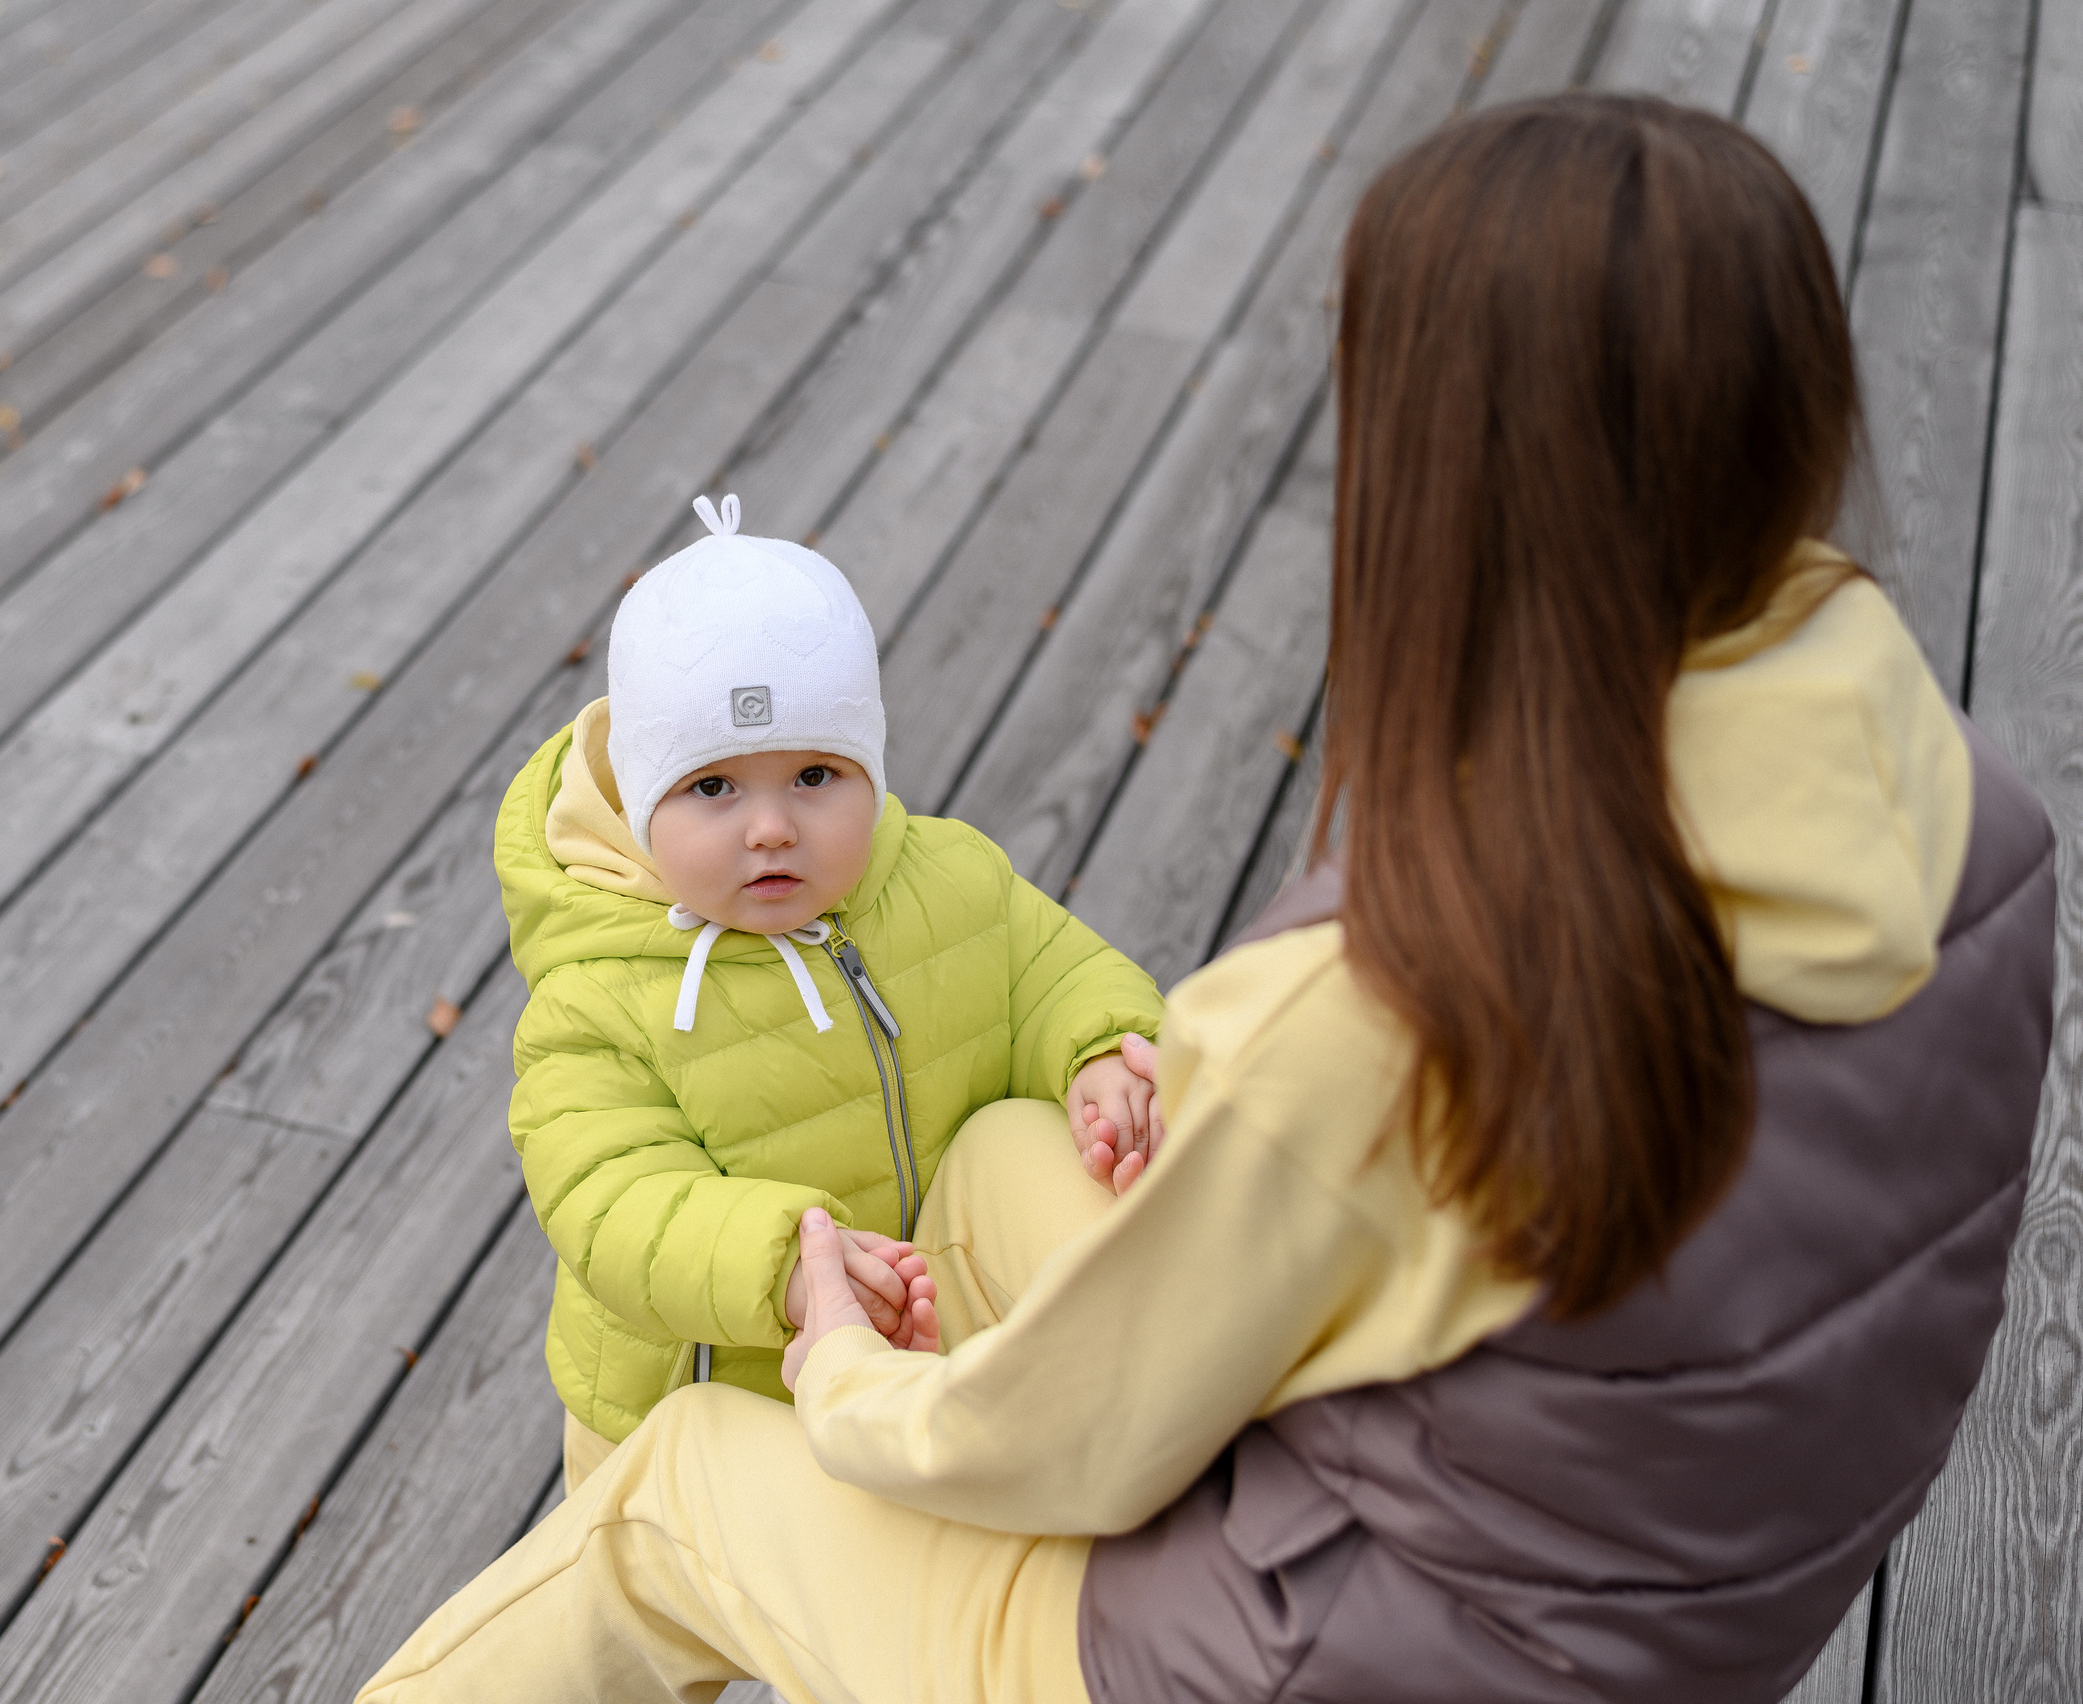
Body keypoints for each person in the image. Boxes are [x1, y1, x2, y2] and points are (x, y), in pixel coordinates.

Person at [360, 93, 2057, 1702]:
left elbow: (1084, 1434)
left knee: (678, 1489)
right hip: (1659, 1601)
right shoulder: (1970, 811)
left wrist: (837, 1374)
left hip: (1288, 1650)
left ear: (1452, 476)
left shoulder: (1392, 992)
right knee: (997, 1160)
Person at [497, 491, 1167, 1490]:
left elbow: (1052, 969)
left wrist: (1102, 1050)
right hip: (704, 1409)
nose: (770, 827)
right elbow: (611, 1204)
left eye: (814, 775)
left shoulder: (943, 880)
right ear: (639, 803)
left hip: (911, 1355)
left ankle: (1126, 1406)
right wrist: (781, 1269)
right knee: (688, 1609)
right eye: (713, 787)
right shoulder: (594, 1000)